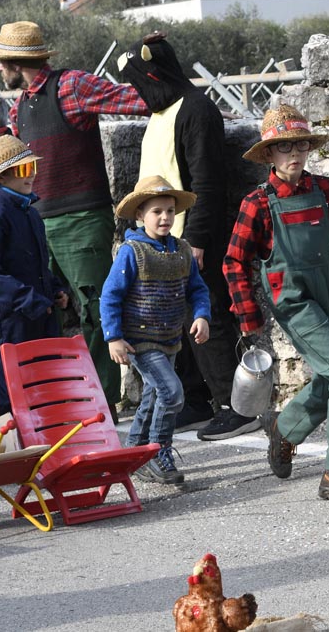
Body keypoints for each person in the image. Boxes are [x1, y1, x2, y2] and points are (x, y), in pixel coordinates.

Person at [0, 20, 150, 419]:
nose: (0, 71)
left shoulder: (71, 86)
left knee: (95, 307)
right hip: (36, 221)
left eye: (2, 63)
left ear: (15, 62)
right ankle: (57, 401)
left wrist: (165, 85)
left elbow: (136, 101)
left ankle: (101, 402)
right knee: (46, 310)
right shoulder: (18, 109)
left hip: (81, 217)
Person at [224, 104, 329, 502]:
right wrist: (247, 315)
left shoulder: (326, 191)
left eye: (301, 145)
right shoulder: (258, 202)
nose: (294, 154)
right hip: (292, 303)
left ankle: (284, 428)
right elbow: (234, 261)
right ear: (269, 154)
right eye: (285, 147)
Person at [118, 32, 254, 441]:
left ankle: (236, 405)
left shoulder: (196, 109)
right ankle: (195, 401)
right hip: (162, 240)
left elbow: (208, 183)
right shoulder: (164, 111)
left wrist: (194, 239)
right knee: (178, 324)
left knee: (207, 314)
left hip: (194, 237)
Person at [102, 176, 211, 485]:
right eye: (156, 212)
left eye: (169, 211)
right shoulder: (131, 252)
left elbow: (197, 290)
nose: (165, 218)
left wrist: (202, 316)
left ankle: (135, 452)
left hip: (170, 340)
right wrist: (114, 337)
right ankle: (158, 451)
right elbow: (111, 295)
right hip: (140, 340)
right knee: (171, 393)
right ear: (140, 216)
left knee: (153, 395)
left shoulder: (182, 250)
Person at [0, 135, 67, 415]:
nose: (33, 176)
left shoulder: (30, 211)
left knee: (39, 385)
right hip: (10, 318)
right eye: (24, 170)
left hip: (36, 311)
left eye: (33, 168)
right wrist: (30, 300)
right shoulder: (2, 210)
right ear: (2, 176)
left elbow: (38, 262)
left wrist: (54, 287)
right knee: (10, 392)